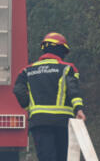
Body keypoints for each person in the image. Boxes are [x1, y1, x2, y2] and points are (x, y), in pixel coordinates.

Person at [13, 32, 86, 161]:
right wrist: (78, 109)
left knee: (46, 157)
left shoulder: (27, 70)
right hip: (62, 122)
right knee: (62, 157)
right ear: (62, 51)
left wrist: (28, 106)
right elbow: (73, 90)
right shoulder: (67, 68)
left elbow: (18, 90)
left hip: (40, 122)